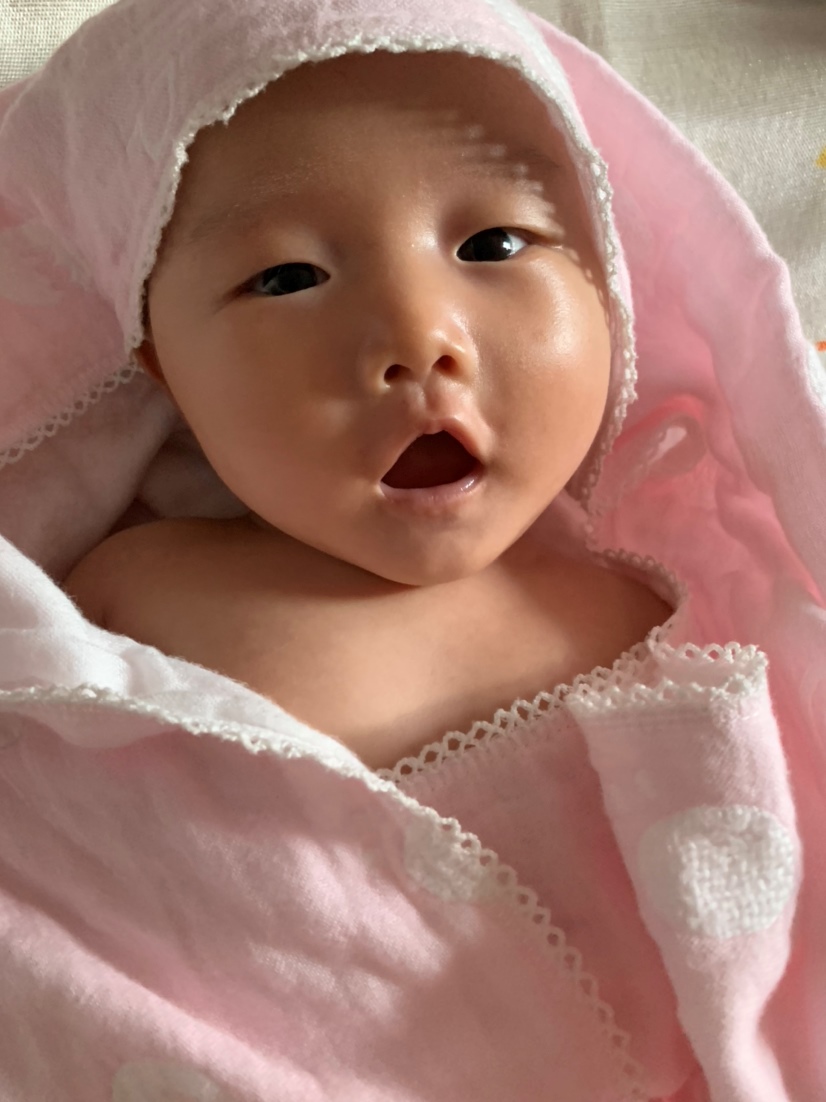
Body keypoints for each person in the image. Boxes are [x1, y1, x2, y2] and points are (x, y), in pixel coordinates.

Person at [0, 0, 822, 1098]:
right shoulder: (117, 602)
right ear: (158, 364)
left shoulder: (689, 584)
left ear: (611, 282)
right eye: (287, 277)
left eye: (494, 244)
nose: (416, 335)